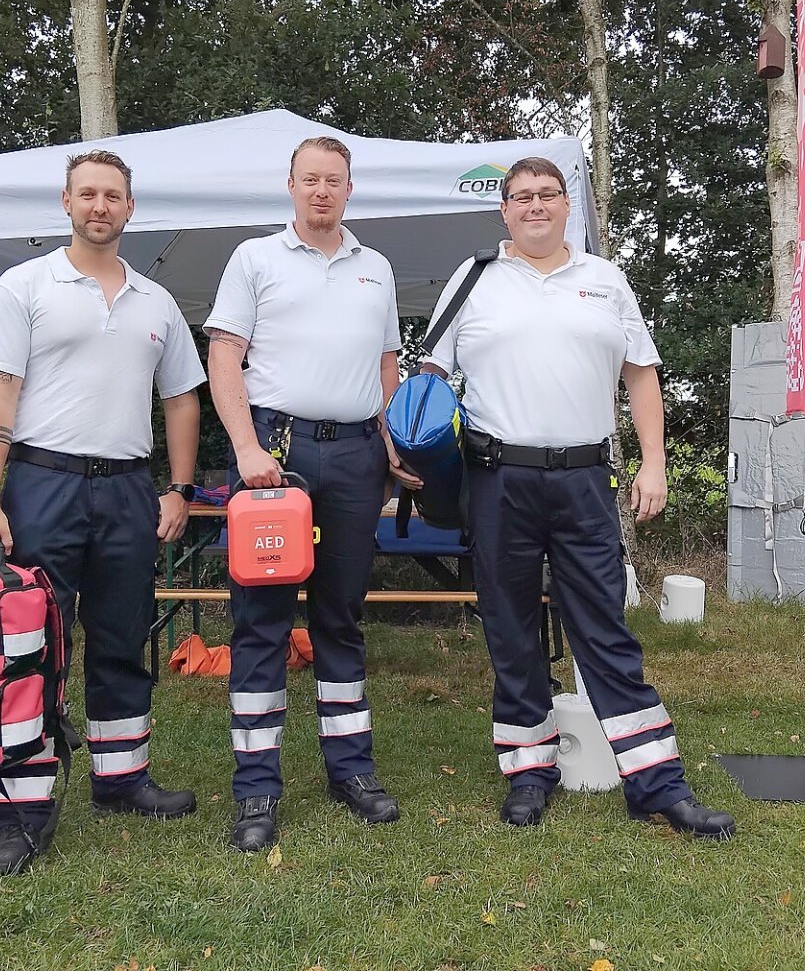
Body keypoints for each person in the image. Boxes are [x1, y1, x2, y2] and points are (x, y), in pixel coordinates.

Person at [423, 156, 736, 840]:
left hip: (587, 480)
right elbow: (429, 375)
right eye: (521, 197)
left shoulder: (605, 279)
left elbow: (642, 376)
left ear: (568, 206)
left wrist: (654, 463)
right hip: (497, 477)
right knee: (510, 630)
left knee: (606, 628)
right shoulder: (474, 278)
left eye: (548, 195)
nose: (535, 206)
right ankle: (530, 773)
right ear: (503, 210)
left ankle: (657, 785)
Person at [0, 149, 207, 875]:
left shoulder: (155, 302)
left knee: (124, 635)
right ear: (66, 203)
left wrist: (182, 488)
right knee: (29, 645)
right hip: (43, 482)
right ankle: (22, 809)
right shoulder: (25, 285)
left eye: (114, 196)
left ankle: (121, 779)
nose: (101, 206)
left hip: (129, 488)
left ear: (131, 209)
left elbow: (182, 398)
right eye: (88, 194)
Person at [205, 135, 420, 852]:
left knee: (342, 615)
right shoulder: (254, 258)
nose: (321, 191)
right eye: (309, 180)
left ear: (350, 189)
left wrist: (394, 445)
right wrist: (244, 448)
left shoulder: (377, 268)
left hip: (359, 452)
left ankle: (350, 771)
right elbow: (224, 355)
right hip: (278, 452)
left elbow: (387, 362)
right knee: (261, 621)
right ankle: (257, 788)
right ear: (290, 186)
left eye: (334, 180)